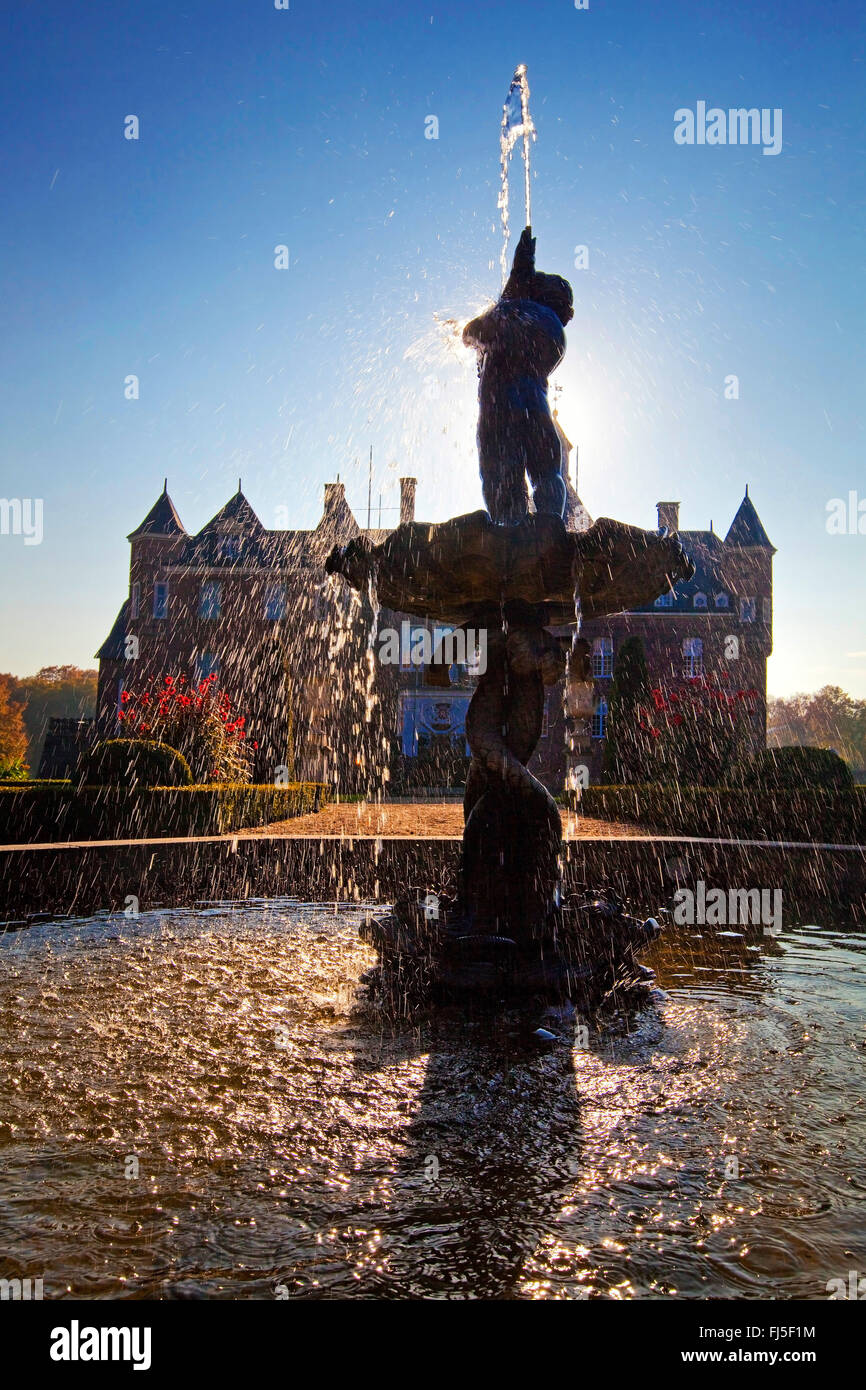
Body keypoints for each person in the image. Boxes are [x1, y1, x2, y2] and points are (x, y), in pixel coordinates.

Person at [463, 227, 574, 524]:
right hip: (535, 395)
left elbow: (504, 305)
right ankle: (550, 527)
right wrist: (522, 263)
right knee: (547, 470)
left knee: (500, 473)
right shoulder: (551, 327)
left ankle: (508, 530)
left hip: (499, 402)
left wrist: (522, 263)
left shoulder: (516, 310)